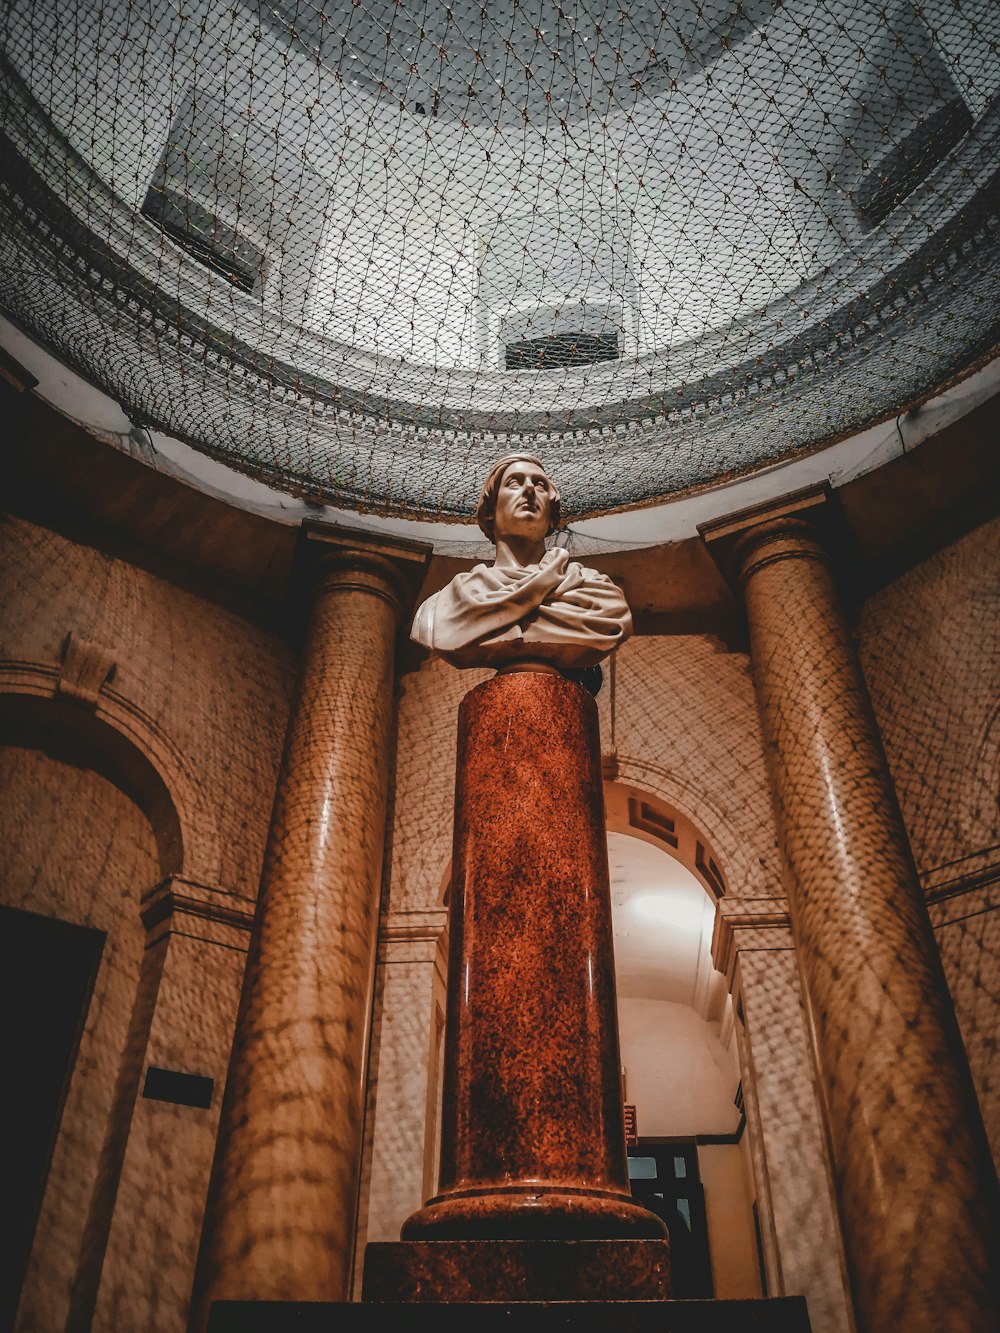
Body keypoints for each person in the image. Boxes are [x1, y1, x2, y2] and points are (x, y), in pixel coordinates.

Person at [410, 454, 632, 672]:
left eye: (540, 485)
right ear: (490, 512)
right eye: (514, 483)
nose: (529, 490)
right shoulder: (445, 607)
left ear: (552, 516)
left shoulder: (598, 594)